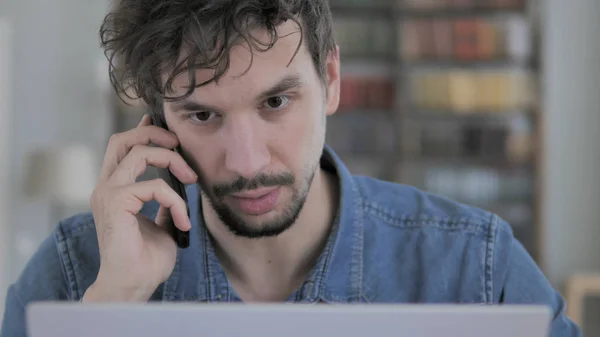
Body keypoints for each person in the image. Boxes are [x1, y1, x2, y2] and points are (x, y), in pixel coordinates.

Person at [0, 1, 581, 336]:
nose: (248, 163)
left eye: (276, 102)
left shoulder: (476, 269)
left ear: (330, 81)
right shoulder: (76, 278)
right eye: (201, 114)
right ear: (158, 121)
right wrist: (115, 307)